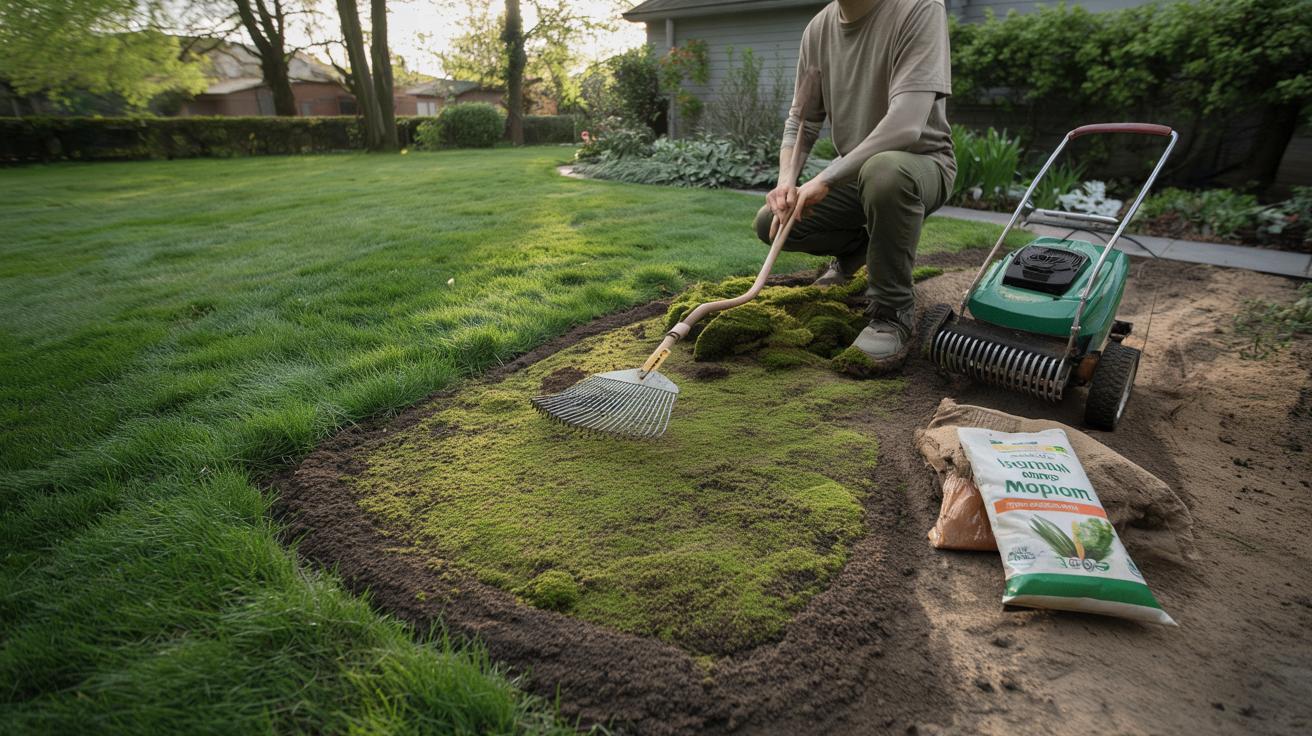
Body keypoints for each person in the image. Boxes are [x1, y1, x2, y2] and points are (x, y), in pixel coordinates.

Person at [755, 0, 955, 370]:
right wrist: (787, 182)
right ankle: (861, 249)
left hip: (921, 164)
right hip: (854, 174)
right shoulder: (818, 29)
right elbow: (802, 119)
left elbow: (906, 125)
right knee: (771, 221)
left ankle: (892, 312)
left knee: (884, 171)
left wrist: (825, 178)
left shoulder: (919, 9)